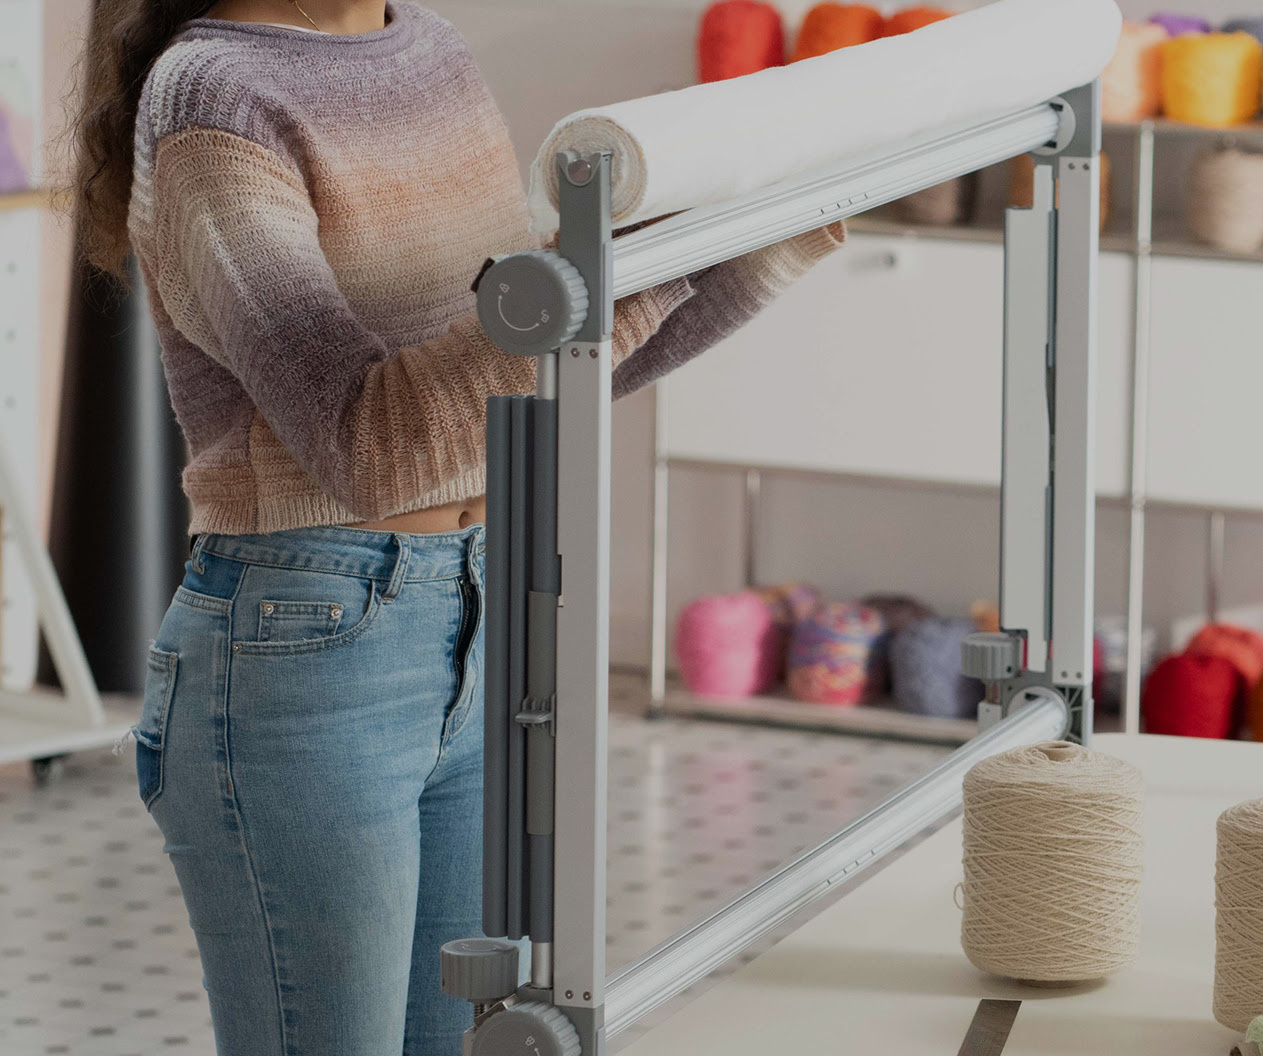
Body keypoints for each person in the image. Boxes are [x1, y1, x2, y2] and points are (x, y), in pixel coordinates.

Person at [66, 1, 842, 1052]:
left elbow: (537, 381)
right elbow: (372, 446)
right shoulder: (215, 102)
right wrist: (619, 275)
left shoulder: (428, 49)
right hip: (303, 646)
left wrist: (767, 231)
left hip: (484, 615)